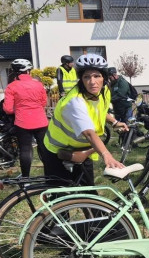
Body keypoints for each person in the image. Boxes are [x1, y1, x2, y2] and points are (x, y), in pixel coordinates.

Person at [41, 53, 127, 185]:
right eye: (87, 77)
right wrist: (107, 155)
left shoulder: (103, 92)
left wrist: (114, 122)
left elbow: (100, 111)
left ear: (103, 77)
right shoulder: (75, 101)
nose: (92, 82)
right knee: (61, 197)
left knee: (88, 193)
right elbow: (88, 132)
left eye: (97, 76)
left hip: (82, 147)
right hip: (57, 150)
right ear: (81, 79)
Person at [2, 59, 48, 177]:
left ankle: (26, 178)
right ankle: (50, 175)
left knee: (25, 149)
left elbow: (7, 109)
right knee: (44, 148)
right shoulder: (38, 84)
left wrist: (18, 109)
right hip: (40, 120)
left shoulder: (11, 87)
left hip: (23, 122)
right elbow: (44, 103)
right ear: (28, 71)